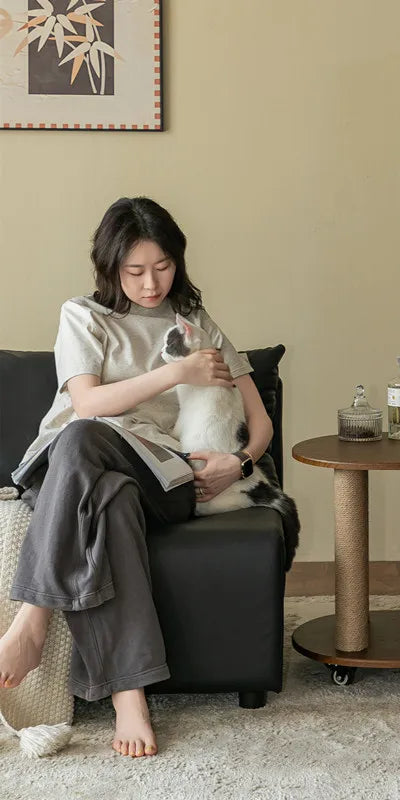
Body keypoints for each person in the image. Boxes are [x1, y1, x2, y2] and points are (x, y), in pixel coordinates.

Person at [0, 197, 272, 758]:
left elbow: (259, 418)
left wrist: (240, 463)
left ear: (179, 261)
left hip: (164, 476)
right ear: (110, 267)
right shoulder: (84, 315)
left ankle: (31, 618)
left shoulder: (197, 325)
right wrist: (176, 372)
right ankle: (130, 694)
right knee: (101, 474)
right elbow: (88, 401)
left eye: (163, 266)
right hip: (67, 469)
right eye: (135, 271)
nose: (151, 284)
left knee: (109, 466)